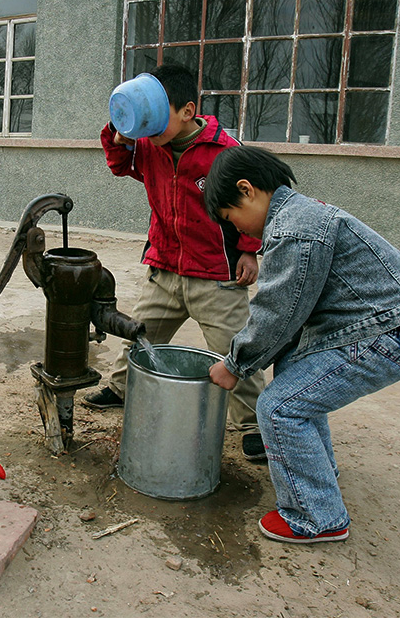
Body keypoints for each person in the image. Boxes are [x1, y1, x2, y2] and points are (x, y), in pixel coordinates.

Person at [204, 145, 400, 543]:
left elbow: (278, 312)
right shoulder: (298, 214)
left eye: (232, 218)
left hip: (384, 335)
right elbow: (291, 315)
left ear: (247, 190)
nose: (238, 230)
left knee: (278, 408)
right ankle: (316, 476)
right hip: (377, 324)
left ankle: (316, 516)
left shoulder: (294, 229)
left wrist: (235, 364)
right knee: (294, 375)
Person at [80, 63, 268, 460]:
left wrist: (250, 249)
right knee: (140, 334)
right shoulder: (149, 145)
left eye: (156, 116)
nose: (147, 128)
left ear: (187, 111)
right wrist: (119, 134)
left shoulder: (223, 151)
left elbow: (256, 199)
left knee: (236, 348)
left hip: (215, 275)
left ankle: (254, 424)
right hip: (164, 267)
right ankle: (120, 388)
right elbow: (119, 165)